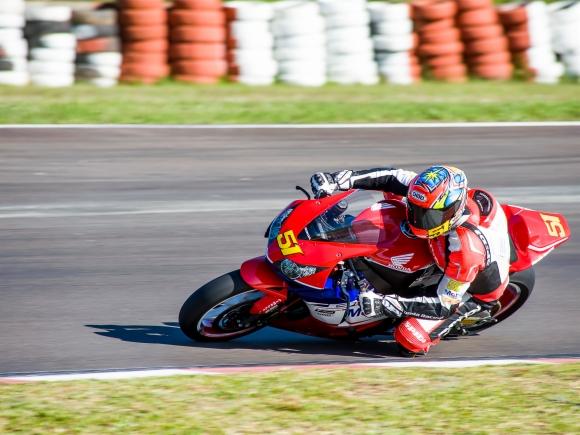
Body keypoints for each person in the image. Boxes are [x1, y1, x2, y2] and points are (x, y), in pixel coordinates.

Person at [310, 166, 511, 355]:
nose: (417, 219)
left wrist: (384, 304)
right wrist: (337, 180)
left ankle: (464, 312)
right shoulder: (430, 195)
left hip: (468, 292)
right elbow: (390, 176)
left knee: (409, 338)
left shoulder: (466, 249)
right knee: (392, 197)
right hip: (445, 254)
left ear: (452, 211)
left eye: (428, 215)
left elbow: (445, 304)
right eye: (415, 209)